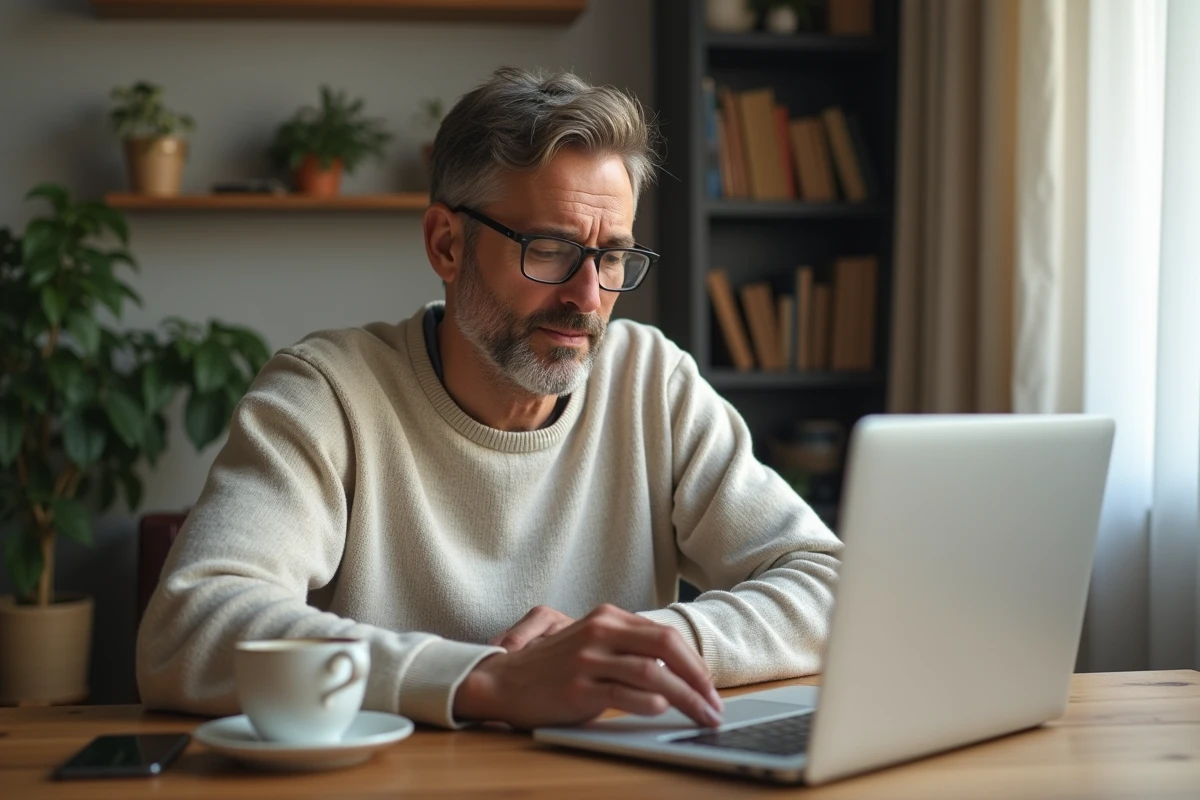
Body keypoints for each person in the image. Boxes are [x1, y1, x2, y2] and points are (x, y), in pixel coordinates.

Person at [137, 67, 843, 731]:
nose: (587, 298)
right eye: (549, 248)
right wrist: (483, 681)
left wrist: (644, 644)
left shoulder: (652, 383)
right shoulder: (327, 394)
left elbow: (834, 585)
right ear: (447, 245)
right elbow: (190, 625)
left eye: (612, 256)